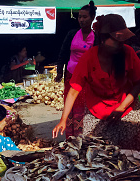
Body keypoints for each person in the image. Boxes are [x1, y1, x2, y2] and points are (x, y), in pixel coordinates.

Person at [53, 14, 140, 151]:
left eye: (123, 40)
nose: (121, 44)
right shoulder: (89, 58)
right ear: (103, 39)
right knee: (96, 154)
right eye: (117, 40)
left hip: (128, 108)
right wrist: (63, 119)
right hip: (97, 113)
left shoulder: (128, 53)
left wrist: (122, 106)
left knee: (136, 155)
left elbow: (139, 82)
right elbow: (74, 90)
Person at [55, 2, 97, 137]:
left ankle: (84, 136)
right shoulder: (72, 34)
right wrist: (60, 72)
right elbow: (62, 53)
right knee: (70, 105)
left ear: (92, 18)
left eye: (85, 17)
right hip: (71, 76)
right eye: (80, 17)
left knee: (84, 107)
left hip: (87, 79)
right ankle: (70, 136)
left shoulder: (96, 37)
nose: (82, 20)